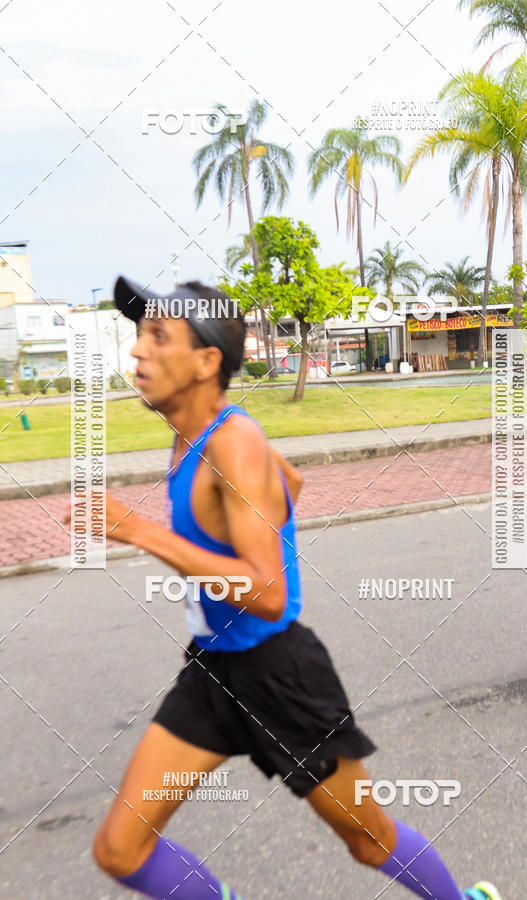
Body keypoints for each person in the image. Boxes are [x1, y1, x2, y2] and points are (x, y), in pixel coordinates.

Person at [67, 275, 501, 900]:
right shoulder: (195, 431)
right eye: (140, 334)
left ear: (206, 361)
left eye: (159, 336)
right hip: (214, 673)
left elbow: (268, 592)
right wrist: (263, 510)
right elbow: (287, 484)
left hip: (281, 676)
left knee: (367, 840)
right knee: (120, 847)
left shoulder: (233, 442)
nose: (138, 350)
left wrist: (136, 530)